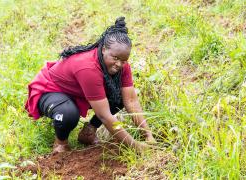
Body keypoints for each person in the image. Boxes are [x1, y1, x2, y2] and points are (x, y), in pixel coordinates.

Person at [25, 17, 156, 153]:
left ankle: (88, 132)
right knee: (69, 113)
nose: (119, 64)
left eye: (124, 60)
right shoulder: (88, 68)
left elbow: (131, 101)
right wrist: (134, 145)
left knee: (119, 97)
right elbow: (105, 116)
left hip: (79, 91)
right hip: (51, 90)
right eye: (115, 58)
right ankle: (61, 143)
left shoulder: (122, 66)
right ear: (104, 49)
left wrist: (147, 135)